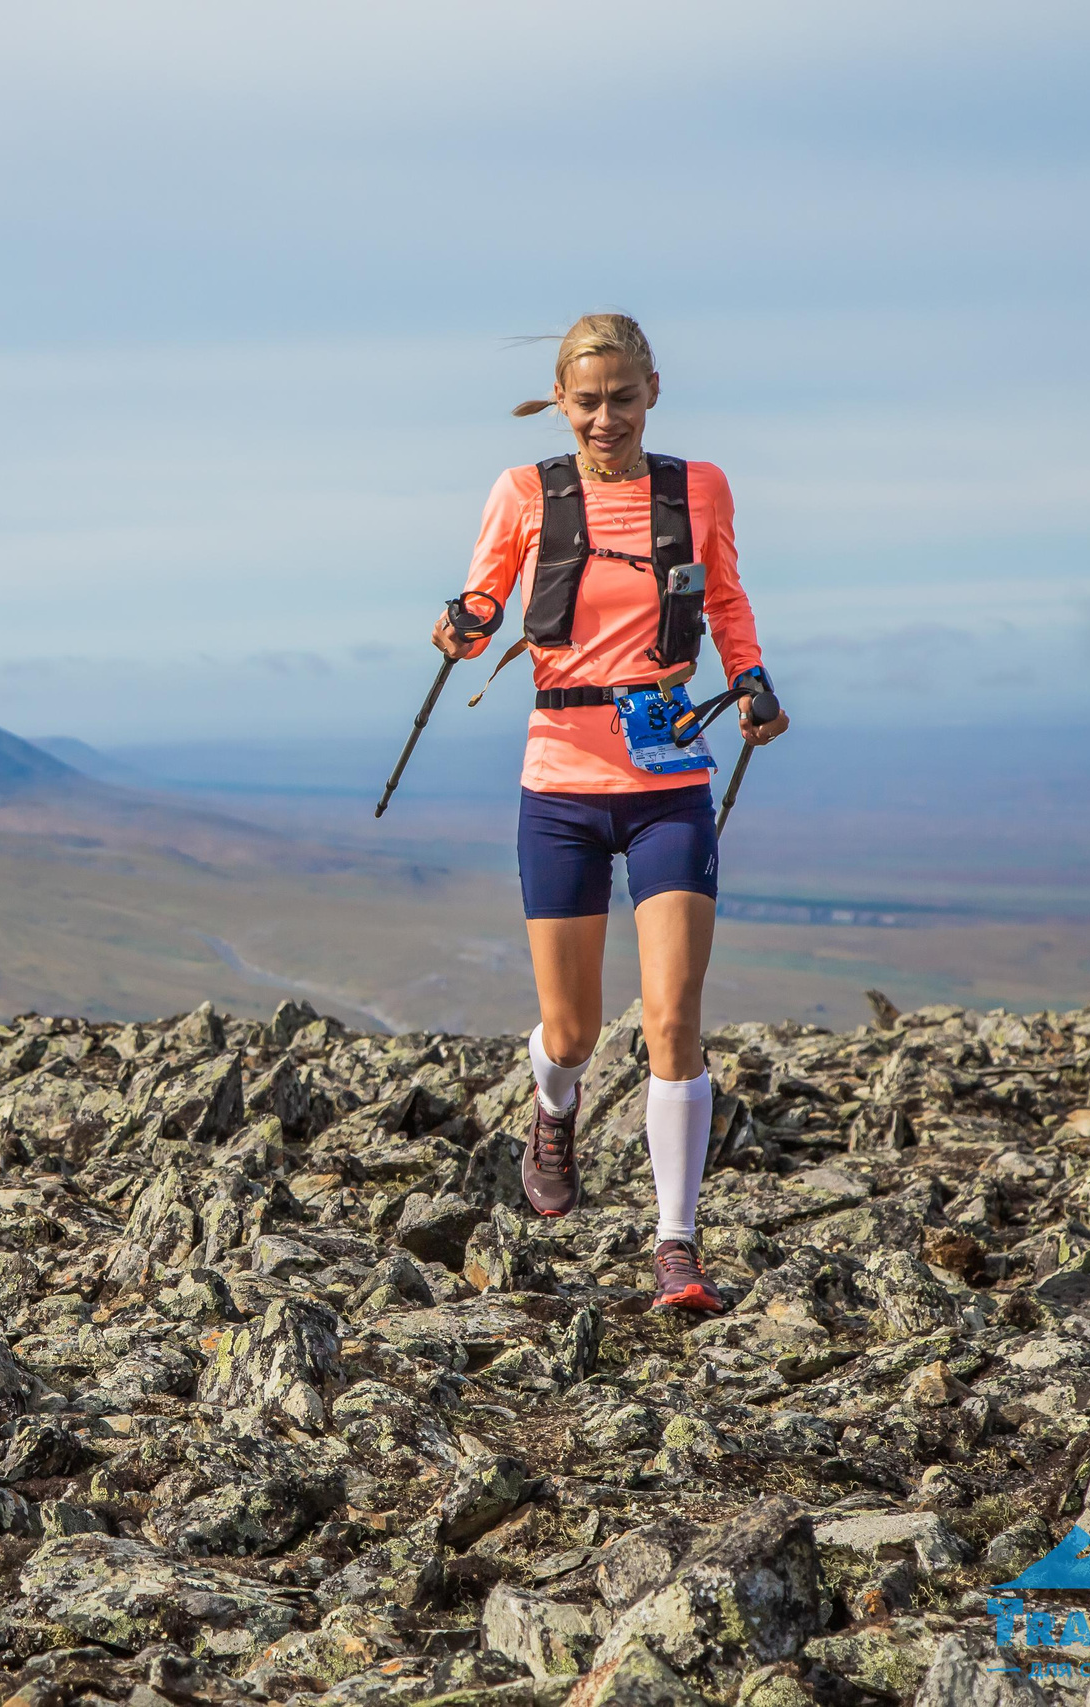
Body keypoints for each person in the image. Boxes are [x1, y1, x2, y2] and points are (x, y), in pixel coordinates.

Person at [429, 312, 788, 1311]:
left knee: (673, 1018)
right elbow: (477, 609)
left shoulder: (697, 488)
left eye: (621, 399)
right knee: (573, 1028)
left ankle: (676, 1246)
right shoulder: (521, 494)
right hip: (560, 785)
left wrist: (751, 679)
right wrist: (461, 627)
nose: (604, 419)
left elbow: (723, 599)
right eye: (585, 402)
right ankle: (553, 1109)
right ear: (559, 400)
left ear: (653, 391)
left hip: (668, 775)